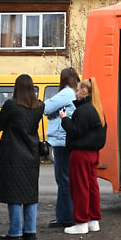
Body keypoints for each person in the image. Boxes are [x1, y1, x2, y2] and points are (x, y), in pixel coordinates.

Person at [0, 74, 45, 240]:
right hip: (32, 154)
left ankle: (15, 232)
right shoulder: (39, 106)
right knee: (30, 192)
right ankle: (30, 231)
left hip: (13, 154)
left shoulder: (11, 105)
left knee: (13, 194)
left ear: (17, 88)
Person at [60, 77, 107, 235]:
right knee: (92, 186)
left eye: (78, 89)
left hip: (80, 154)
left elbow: (75, 131)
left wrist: (64, 119)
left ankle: (81, 222)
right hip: (94, 153)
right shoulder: (97, 108)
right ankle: (94, 220)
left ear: (85, 91)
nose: (76, 92)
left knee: (80, 188)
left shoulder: (82, 110)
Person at [43, 67, 80, 229]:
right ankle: (67, 215)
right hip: (69, 140)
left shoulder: (66, 93)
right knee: (68, 180)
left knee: (63, 180)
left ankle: (65, 217)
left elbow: (45, 108)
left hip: (61, 141)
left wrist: (54, 113)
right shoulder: (75, 93)